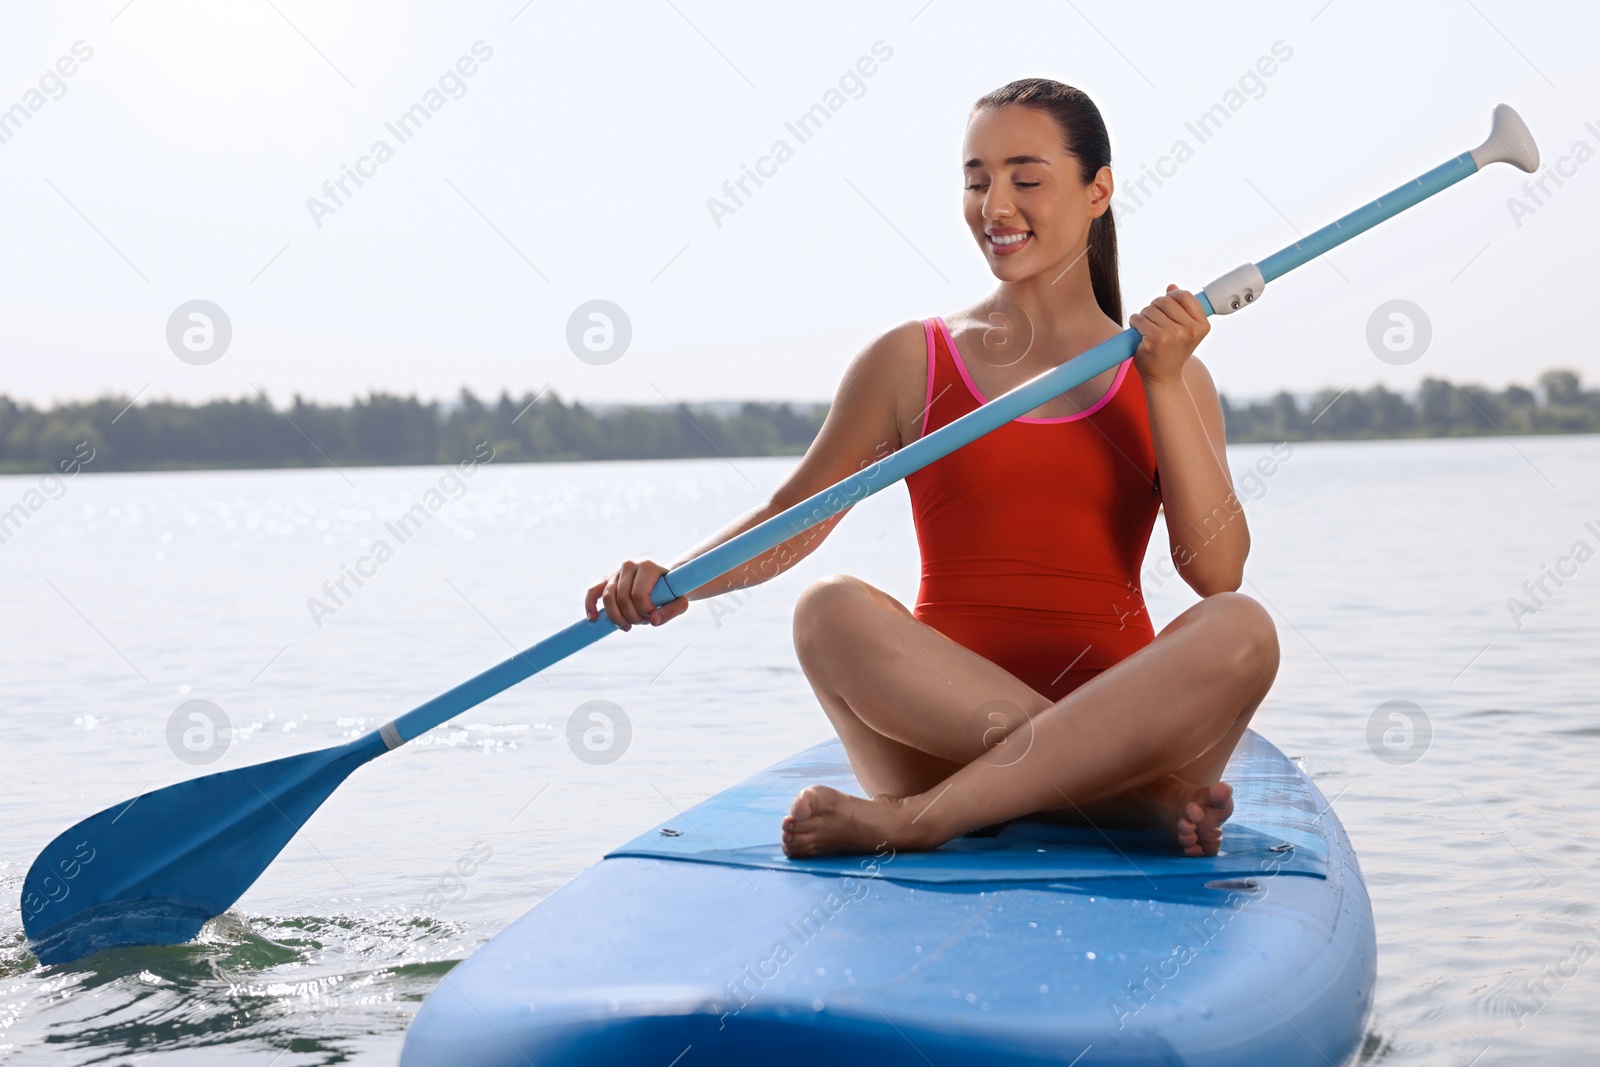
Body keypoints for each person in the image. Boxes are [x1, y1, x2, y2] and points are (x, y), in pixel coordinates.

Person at [585, 78, 1278, 859]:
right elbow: (796, 513)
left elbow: (1217, 572)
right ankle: (1122, 802)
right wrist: (676, 581)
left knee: (1243, 628)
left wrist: (1158, 380)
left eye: (1026, 177)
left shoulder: (1170, 373)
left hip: (1121, 725)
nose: (996, 206)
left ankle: (926, 820)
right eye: (976, 181)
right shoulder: (910, 360)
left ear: (1098, 191)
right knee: (826, 608)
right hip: (943, 744)